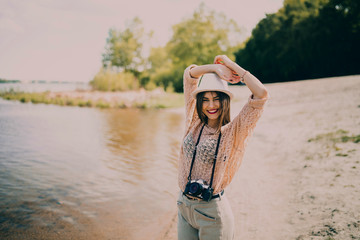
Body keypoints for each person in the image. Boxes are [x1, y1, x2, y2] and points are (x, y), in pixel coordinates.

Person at [177, 55, 269, 239]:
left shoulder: (233, 132)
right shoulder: (194, 122)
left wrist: (233, 66)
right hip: (184, 208)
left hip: (212, 213)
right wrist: (213, 68)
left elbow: (261, 94)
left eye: (217, 98)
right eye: (205, 99)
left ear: (225, 100)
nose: (211, 105)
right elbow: (189, 76)